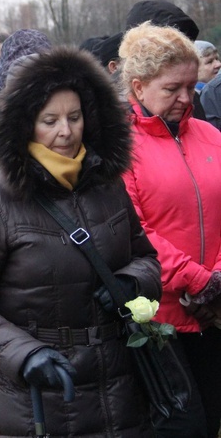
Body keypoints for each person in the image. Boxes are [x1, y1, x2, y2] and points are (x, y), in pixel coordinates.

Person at [0, 47, 162, 436]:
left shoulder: (106, 182)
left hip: (120, 388)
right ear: (26, 124)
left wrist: (130, 283)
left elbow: (146, 257)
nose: (66, 131)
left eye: (74, 117)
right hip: (39, 397)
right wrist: (23, 354)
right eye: (50, 120)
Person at [120, 22, 221, 438]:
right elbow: (133, 229)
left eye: (191, 86)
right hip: (159, 318)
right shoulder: (120, 148)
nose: (186, 98)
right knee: (182, 426)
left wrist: (216, 280)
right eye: (173, 88)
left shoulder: (211, 136)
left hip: (215, 311)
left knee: (211, 417)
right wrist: (198, 280)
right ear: (139, 87)